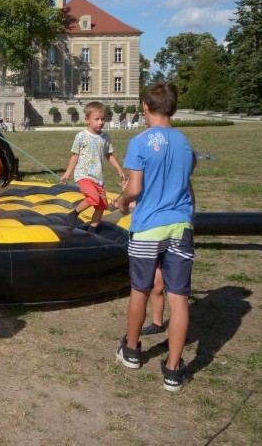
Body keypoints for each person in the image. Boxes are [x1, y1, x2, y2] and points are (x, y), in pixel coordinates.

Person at [113, 81, 196, 392]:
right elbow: (183, 180)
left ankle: (132, 351)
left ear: (145, 108)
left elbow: (134, 189)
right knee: (179, 297)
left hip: (148, 227)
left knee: (140, 289)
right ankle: (174, 371)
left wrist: (122, 203)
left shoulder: (140, 142)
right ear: (172, 109)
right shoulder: (185, 142)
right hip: (180, 226)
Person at [60, 101, 125, 232]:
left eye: (103, 119)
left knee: (101, 206)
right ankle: (74, 213)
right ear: (87, 120)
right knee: (93, 198)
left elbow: (109, 155)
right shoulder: (81, 136)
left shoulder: (105, 137)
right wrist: (67, 173)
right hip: (83, 175)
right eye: (96, 119)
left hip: (98, 177)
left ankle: (92, 230)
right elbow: (75, 156)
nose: (100, 122)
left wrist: (119, 168)